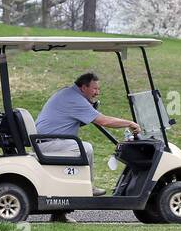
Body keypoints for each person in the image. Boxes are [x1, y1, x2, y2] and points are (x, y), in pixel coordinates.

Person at [35, 72, 142, 217]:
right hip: (49, 143)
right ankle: (89, 188)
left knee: (81, 147)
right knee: (86, 148)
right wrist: (129, 123)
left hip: (49, 141)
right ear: (84, 87)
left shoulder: (68, 93)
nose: (97, 92)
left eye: (98, 89)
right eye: (94, 89)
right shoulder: (74, 99)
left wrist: (91, 107)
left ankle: (60, 214)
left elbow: (83, 118)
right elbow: (103, 121)